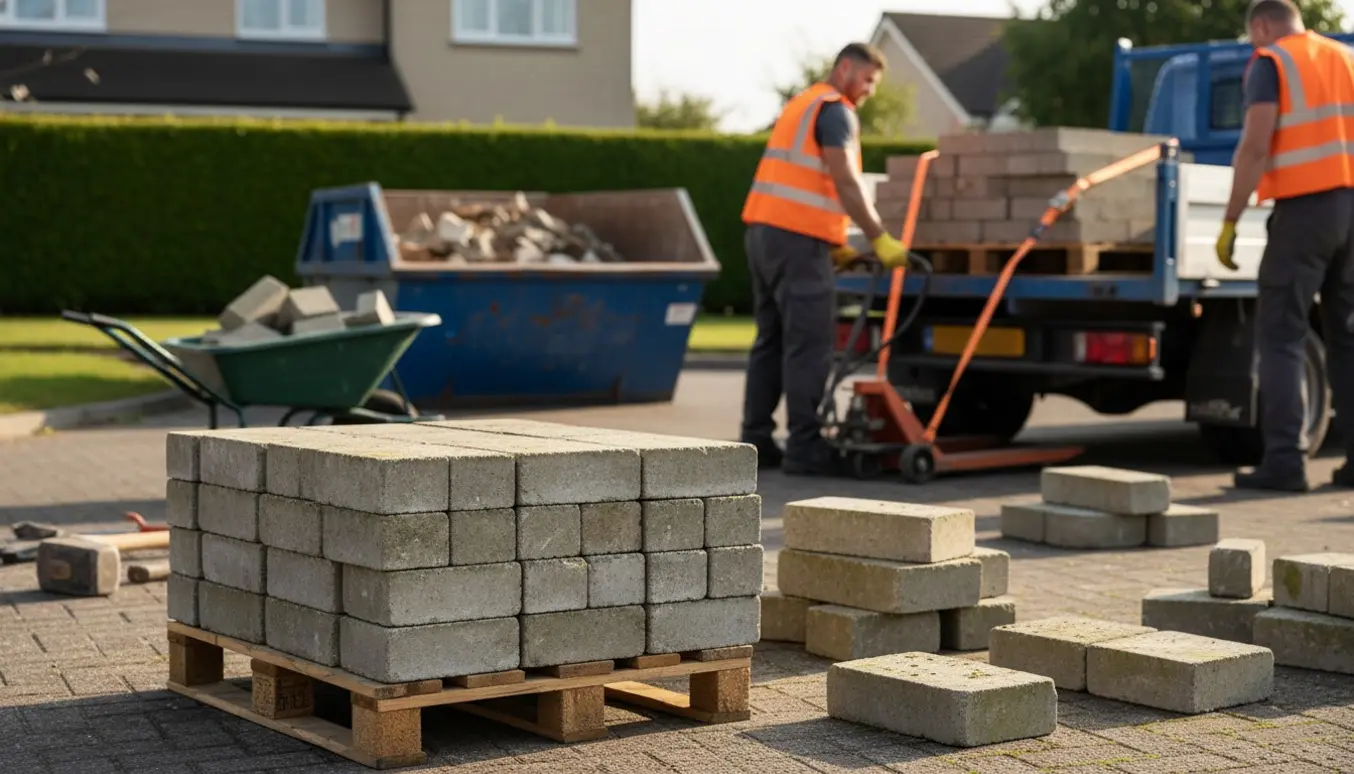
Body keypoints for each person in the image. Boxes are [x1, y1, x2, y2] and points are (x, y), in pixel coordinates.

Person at [738, 42, 910, 476]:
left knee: (771, 342)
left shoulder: (803, 103)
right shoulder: (835, 110)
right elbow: (846, 182)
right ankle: (805, 448)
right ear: (846, 67)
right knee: (809, 346)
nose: (870, 90)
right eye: (868, 79)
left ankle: (756, 440)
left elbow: (799, 184)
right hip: (796, 243)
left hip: (764, 235)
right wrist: (880, 239)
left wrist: (834, 245)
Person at [1215, 0, 1354, 492]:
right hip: (1351, 209)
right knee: (1347, 336)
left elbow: (1255, 145)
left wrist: (1230, 220)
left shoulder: (1273, 62)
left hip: (1304, 213)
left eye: (1252, 36)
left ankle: (1284, 463)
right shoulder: (1345, 57)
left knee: (1280, 334)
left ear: (1262, 25)